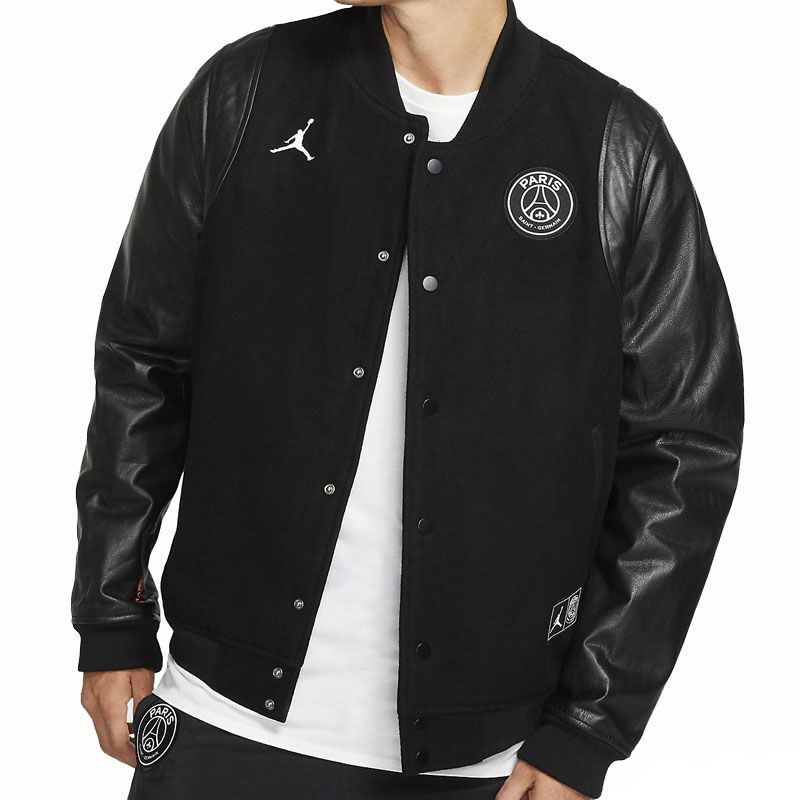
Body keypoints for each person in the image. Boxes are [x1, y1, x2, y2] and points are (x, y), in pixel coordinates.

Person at [71, 1, 744, 798]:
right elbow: (145, 356)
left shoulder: (613, 145)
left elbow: (682, 446)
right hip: (221, 717)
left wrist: (590, 725)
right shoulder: (246, 91)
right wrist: (112, 616)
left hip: (486, 761)